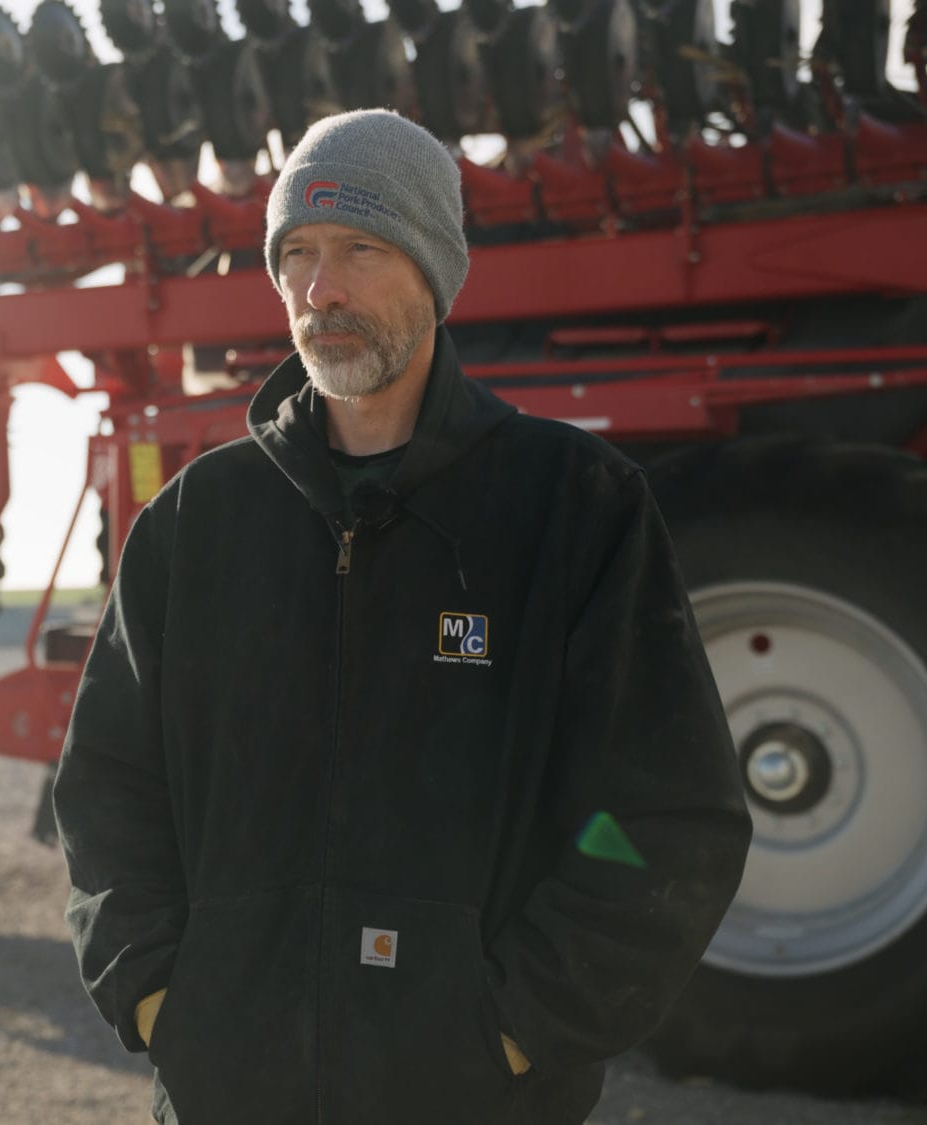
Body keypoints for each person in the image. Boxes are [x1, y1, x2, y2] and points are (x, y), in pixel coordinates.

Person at [51, 109, 752, 1124]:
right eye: (295, 254)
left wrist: (508, 1030)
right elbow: (108, 789)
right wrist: (163, 1001)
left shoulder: (569, 506)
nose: (318, 290)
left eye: (358, 249)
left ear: (434, 270)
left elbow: (662, 813)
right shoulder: (197, 523)